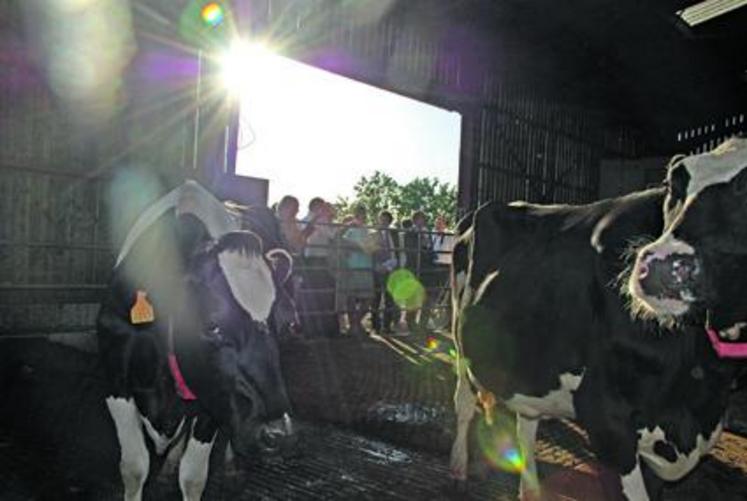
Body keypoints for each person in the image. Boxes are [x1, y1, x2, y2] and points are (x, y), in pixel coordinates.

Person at [299, 199, 338, 336]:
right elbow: (332, 235)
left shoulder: (310, 219)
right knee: (322, 295)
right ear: (316, 207)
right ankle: (322, 329)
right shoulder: (314, 220)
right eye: (322, 206)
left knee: (317, 295)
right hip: (316, 260)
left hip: (318, 259)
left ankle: (316, 328)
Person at [336, 205, 375, 337]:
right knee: (351, 298)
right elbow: (340, 240)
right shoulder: (349, 227)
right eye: (359, 213)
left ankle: (355, 324)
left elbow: (371, 247)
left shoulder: (367, 230)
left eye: (363, 213)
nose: (362, 215)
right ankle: (354, 327)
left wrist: (368, 247)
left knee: (368, 298)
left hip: (366, 266)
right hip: (352, 266)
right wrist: (359, 246)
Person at [371, 210, 399, 335]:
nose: (383, 222)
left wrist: (393, 265)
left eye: (386, 220)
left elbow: (397, 251)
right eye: (381, 219)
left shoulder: (395, 234)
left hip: (392, 269)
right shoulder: (373, 234)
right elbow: (371, 252)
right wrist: (376, 265)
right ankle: (375, 325)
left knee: (389, 298)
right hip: (378, 269)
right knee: (376, 298)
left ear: (389, 221)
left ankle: (387, 326)